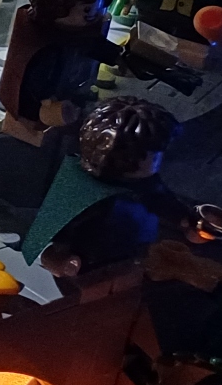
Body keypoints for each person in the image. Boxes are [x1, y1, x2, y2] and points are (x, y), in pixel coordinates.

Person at [26, 97, 186, 278]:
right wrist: (58, 259)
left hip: (138, 256)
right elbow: (47, 241)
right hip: (92, 268)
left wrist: (185, 219)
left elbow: (159, 198)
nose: (159, 160)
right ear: (126, 157)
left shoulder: (143, 180)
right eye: (155, 155)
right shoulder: (78, 191)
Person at [0, 0, 125, 143]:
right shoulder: (39, 38)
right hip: (35, 106)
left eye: (101, 6)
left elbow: (93, 46)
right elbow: (33, 76)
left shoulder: (80, 33)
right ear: (57, 5)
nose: (97, 14)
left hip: (68, 93)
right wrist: (45, 101)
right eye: (88, 9)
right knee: (31, 130)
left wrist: (120, 57)